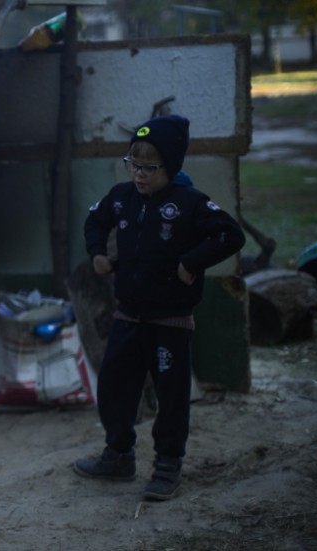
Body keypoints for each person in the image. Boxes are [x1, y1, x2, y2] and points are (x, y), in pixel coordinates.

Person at [74, 115, 245, 500]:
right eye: (134, 164)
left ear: (172, 166)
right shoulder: (121, 197)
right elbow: (94, 221)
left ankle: (168, 465)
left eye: (150, 167)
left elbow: (229, 234)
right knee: (114, 387)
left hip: (170, 320)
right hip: (128, 315)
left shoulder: (190, 203)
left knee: (171, 396)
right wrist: (98, 252)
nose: (139, 174)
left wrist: (191, 261)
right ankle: (118, 455)